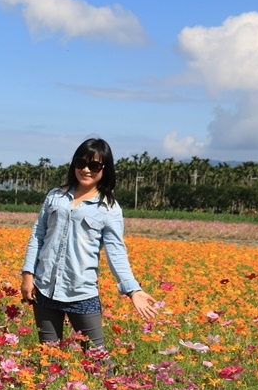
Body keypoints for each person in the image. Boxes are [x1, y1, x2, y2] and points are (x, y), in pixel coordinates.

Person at [20, 138, 158, 367]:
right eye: (80, 162)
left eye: (94, 166)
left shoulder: (109, 208)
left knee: (98, 360)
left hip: (81, 293)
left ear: (105, 170)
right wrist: (27, 275)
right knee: (49, 360)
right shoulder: (55, 196)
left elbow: (116, 252)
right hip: (44, 290)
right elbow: (37, 235)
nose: (85, 169)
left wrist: (133, 289)